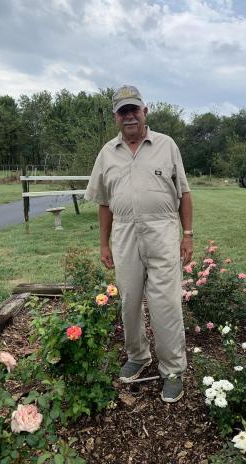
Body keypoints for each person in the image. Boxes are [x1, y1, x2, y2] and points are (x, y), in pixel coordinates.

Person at [85, 85, 193, 403]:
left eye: (134, 109)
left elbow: (184, 193)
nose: (129, 115)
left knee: (166, 304)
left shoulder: (167, 145)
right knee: (129, 300)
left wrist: (188, 235)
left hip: (162, 231)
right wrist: (104, 244)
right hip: (124, 234)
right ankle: (138, 355)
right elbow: (104, 204)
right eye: (123, 111)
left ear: (145, 111)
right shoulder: (107, 153)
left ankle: (173, 371)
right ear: (115, 117)